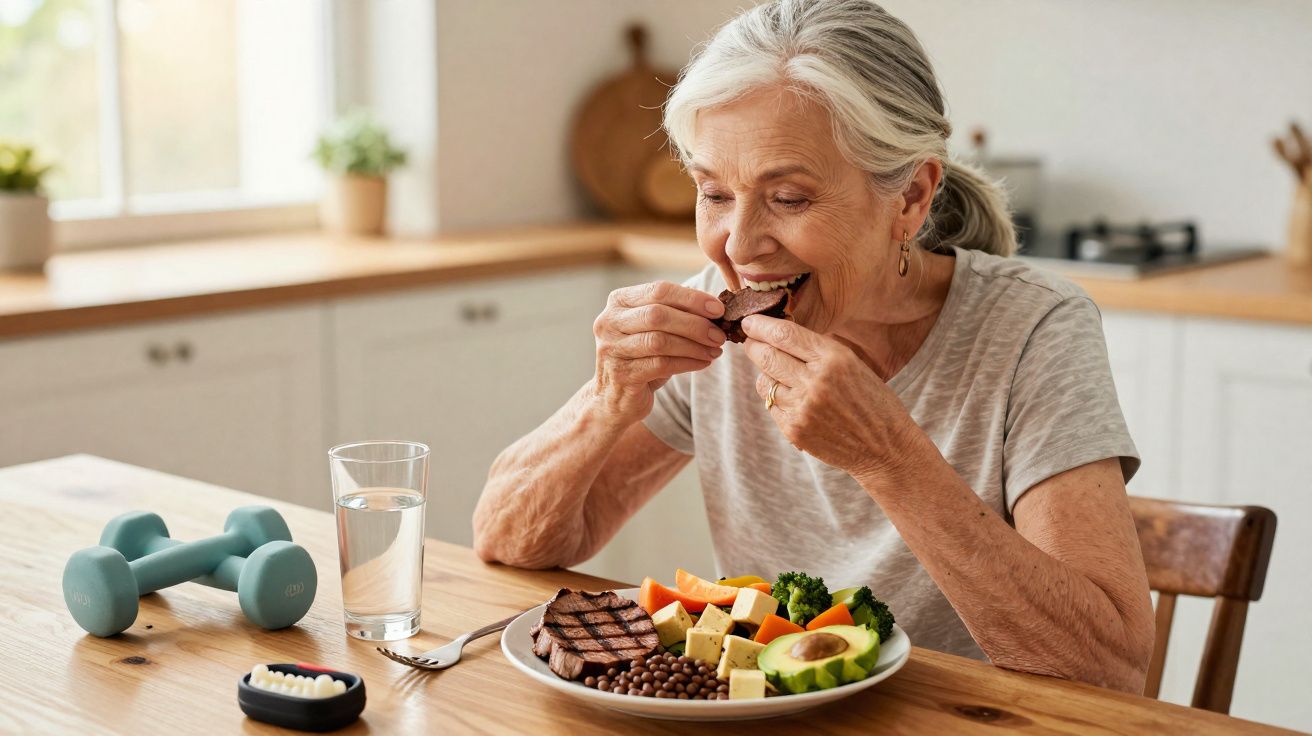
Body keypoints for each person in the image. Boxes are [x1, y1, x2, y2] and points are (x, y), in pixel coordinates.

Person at [474, 0, 1154, 692]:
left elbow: (1109, 668)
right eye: (713, 194)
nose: (738, 247)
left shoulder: (1032, 328)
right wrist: (606, 400)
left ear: (911, 198)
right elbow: (508, 542)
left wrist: (888, 456)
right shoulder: (711, 314)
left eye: (790, 198)